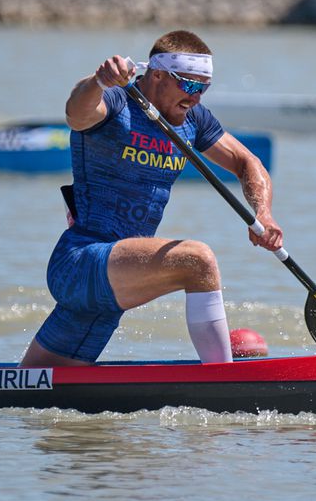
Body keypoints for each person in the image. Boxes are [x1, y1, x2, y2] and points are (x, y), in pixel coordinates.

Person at [19, 29, 283, 368]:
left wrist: (264, 213)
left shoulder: (194, 120)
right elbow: (76, 112)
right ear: (157, 75)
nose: (197, 98)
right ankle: (222, 377)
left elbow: (248, 163)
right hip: (81, 262)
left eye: (204, 88)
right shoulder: (116, 102)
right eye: (189, 86)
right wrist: (98, 81)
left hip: (120, 277)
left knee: (35, 383)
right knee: (197, 260)